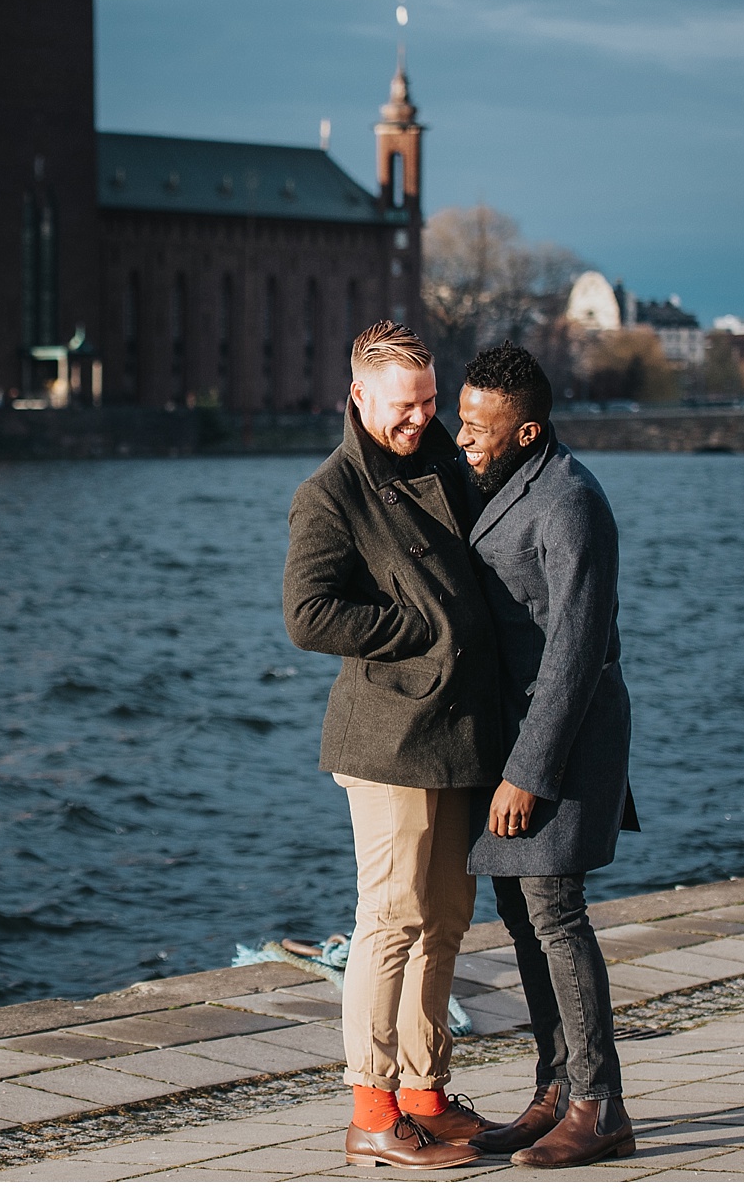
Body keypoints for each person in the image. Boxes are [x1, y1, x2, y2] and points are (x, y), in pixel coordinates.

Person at [283, 321, 506, 1170]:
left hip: (460, 729)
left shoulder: (449, 464)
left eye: (428, 400)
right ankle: (372, 1109)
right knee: (390, 918)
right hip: (389, 735)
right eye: (403, 405)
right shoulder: (331, 492)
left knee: (447, 916)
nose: (419, 417)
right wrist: (423, 625)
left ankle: (424, 1094)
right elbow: (308, 615)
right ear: (360, 397)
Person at [453, 343, 639, 1167]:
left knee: (556, 915)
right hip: (506, 739)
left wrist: (530, 770)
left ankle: (600, 1104)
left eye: (477, 426)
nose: (463, 438)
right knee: (525, 918)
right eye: (460, 419)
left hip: (560, 743)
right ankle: (556, 1088)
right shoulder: (497, 477)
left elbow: (576, 647)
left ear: (527, 430)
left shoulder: (570, 502)